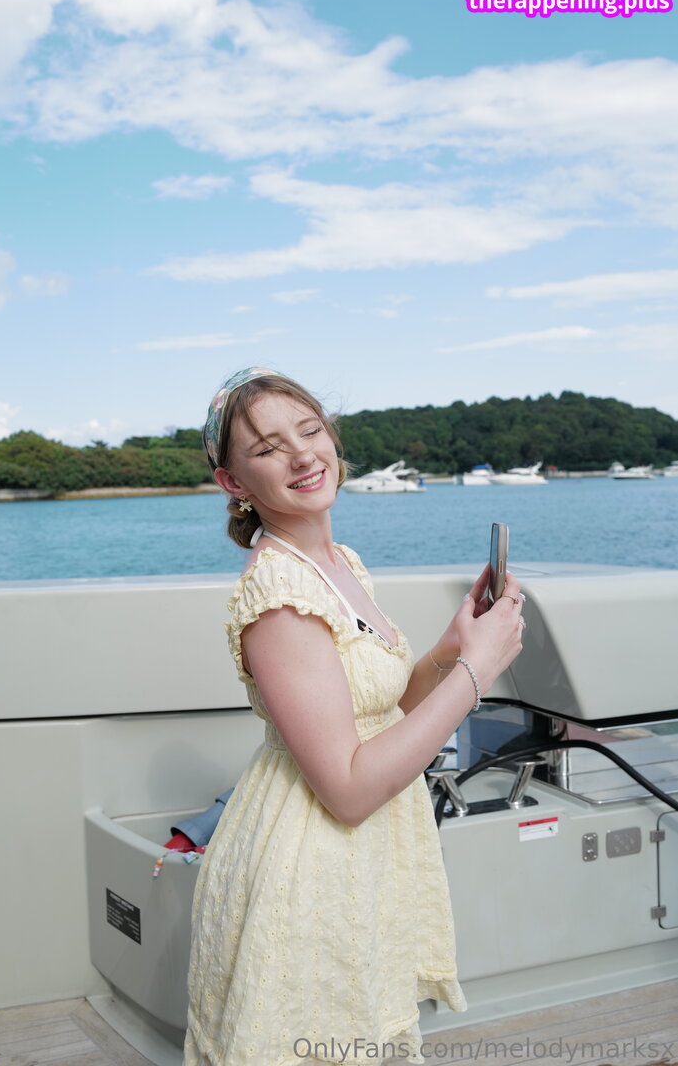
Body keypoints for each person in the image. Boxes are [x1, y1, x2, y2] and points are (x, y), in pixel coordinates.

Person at [183, 367, 525, 1066]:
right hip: (307, 863)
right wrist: (476, 673)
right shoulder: (279, 597)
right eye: (268, 448)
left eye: (310, 431)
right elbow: (346, 788)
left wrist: (451, 648)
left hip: (363, 857)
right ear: (234, 483)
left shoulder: (338, 562)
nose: (301, 455)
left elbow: (380, 711)